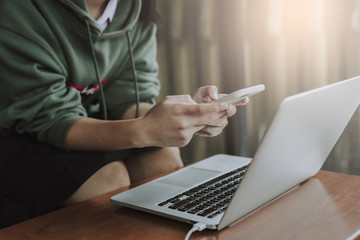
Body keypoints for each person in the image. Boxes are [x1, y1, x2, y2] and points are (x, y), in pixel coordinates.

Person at [0, 0, 248, 228]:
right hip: (15, 132)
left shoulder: (135, 8)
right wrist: (144, 130)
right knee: (109, 179)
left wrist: (186, 116)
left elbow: (130, 96)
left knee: (163, 157)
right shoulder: (19, 12)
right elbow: (53, 120)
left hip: (81, 120)